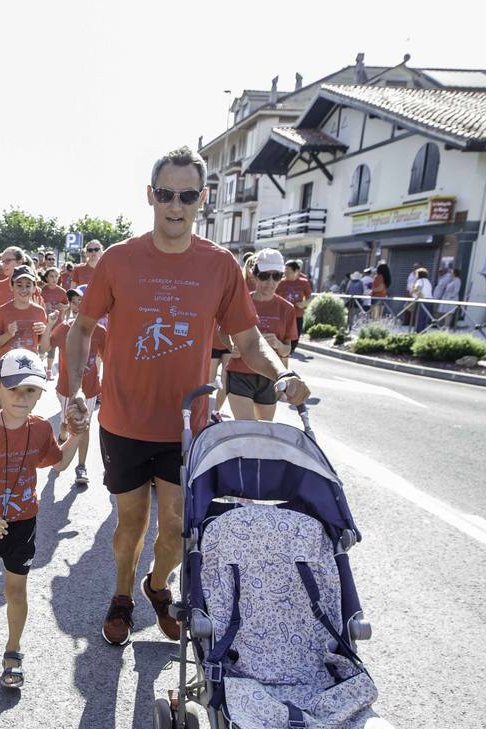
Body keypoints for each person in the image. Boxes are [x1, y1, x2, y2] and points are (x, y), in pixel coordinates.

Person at [64, 146, 309, 645]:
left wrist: (281, 375)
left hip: (186, 424)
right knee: (130, 523)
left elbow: (247, 340)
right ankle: (122, 596)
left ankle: (158, 587)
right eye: (167, 195)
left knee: (175, 527)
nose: (176, 205)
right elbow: (82, 327)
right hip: (124, 421)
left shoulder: (219, 266)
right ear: (150, 195)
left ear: (202, 199)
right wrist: (73, 392)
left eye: (188, 196)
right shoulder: (117, 259)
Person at [0, 348, 82, 688]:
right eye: (14, 390)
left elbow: (59, 462)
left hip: (23, 521)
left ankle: (13, 651)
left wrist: (78, 432)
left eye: (31, 391)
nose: (23, 398)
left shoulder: (39, 429)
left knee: (16, 589)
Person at [225, 248, 298, 422]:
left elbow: (288, 350)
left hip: (269, 377)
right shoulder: (240, 302)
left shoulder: (287, 309)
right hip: (240, 373)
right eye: (265, 276)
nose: (270, 282)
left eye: (276, 276)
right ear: (254, 275)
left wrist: (279, 346)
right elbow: (222, 333)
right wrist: (231, 347)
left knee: (263, 432)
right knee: (246, 428)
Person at [49, 287, 104, 486]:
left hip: (89, 390)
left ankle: (81, 466)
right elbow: (45, 347)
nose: (79, 305)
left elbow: (107, 360)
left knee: (84, 426)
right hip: (66, 389)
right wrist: (49, 325)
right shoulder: (64, 327)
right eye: (75, 301)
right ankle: (62, 435)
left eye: (84, 301)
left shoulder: (101, 331)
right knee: (67, 423)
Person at [0, 266, 49, 362]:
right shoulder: (2, 311)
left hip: (29, 365)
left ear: (34, 288)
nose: (24, 289)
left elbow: (44, 348)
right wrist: (8, 334)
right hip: (6, 365)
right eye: (19, 285)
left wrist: (46, 330)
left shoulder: (39, 311)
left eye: (28, 285)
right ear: (12, 287)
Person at [281, 259, 313, 354]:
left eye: (288, 271)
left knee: (295, 339)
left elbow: (310, 298)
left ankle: (289, 353)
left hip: (297, 315)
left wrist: (304, 303)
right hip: (283, 316)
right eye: (285, 270)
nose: (285, 273)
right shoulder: (280, 283)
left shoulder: (304, 283)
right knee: (283, 339)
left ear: (296, 271)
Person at [0, 246, 27, 310]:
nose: (4, 265)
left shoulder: (32, 286)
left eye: (8, 261)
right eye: (2, 262)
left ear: (19, 261)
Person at [409, 266, 433, 331]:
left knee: (420, 317)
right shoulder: (428, 281)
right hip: (430, 300)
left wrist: (412, 289)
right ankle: (423, 331)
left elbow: (417, 289)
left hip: (423, 300)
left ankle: (418, 331)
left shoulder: (420, 280)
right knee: (425, 317)